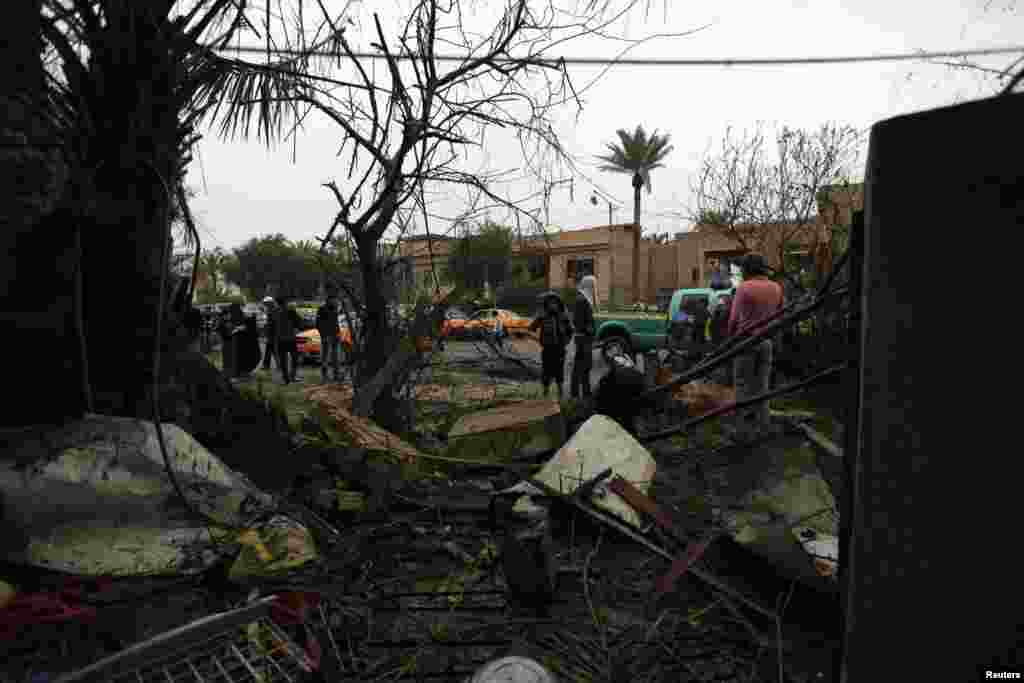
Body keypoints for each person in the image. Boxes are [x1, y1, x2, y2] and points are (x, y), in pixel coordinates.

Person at [727, 254, 784, 442]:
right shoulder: (776, 287)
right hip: (767, 342)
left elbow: (734, 320)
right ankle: (763, 426)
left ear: (747, 269)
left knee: (742, 385)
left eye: (742, 268)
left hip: (745, 342)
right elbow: (779, 315)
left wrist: (730, 339)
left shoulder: (744, 288)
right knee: (763, 386)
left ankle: (742, 430)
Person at [528, 293, 574, 399]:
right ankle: (545, 393)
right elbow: (531, 328)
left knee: (559, 371)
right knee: (546, 371)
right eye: (550, 303)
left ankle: (560, 393)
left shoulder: (564, 316)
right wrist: (538, 316)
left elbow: (570, 331)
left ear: (559, 304)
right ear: (547, 304)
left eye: (555, 303)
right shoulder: (542, 316)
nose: (552, 305)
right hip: (547, 349)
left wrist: (565, 342)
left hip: (560, 349)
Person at [595, 349, 647, 437]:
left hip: (614, 413)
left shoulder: (606, 379)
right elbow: (643, 391)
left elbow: (599, 400)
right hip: (630, 410)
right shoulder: (636, 375)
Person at [571, 275, 597, 401]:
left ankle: (580, 392)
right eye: (593, 285)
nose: (595, 288)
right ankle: (580, 393)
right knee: (583, 366)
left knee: (582, 365)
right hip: (583, 338)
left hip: (584, 337)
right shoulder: (582, 300)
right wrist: (588, 329)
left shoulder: (584, 298)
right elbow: (578, 321)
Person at [316, 293, 342, 383]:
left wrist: (338, 333)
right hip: (326, 336)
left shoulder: (335, 309)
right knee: (325, 357)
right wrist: (323, 335)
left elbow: (335, 323)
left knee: (335, 357)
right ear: (328, 300)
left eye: (336, 301)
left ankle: (336, 375)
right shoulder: (322, 309)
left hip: (335, 335)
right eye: (334, 301)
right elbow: (318, 324)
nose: (336, 302)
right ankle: (324, 376)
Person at [274, 296, 300, 384]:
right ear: (285, 303)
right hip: (290, 338)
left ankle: (286, 378)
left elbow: (272, 325)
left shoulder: (275, 312)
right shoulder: (290, 311)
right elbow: (299, 322)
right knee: (294, 358)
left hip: (280, 339)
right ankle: (292, 376)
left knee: (283, 360)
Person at [261, 296, 277, 370]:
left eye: (266, 303)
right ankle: (266, 365)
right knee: (270, 350)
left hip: (273, 334)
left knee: (273, 350)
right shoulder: (271, 311)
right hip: (271, 335)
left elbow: (271, 324)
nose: (265, 305)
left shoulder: (272, 311)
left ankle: (267, 365)